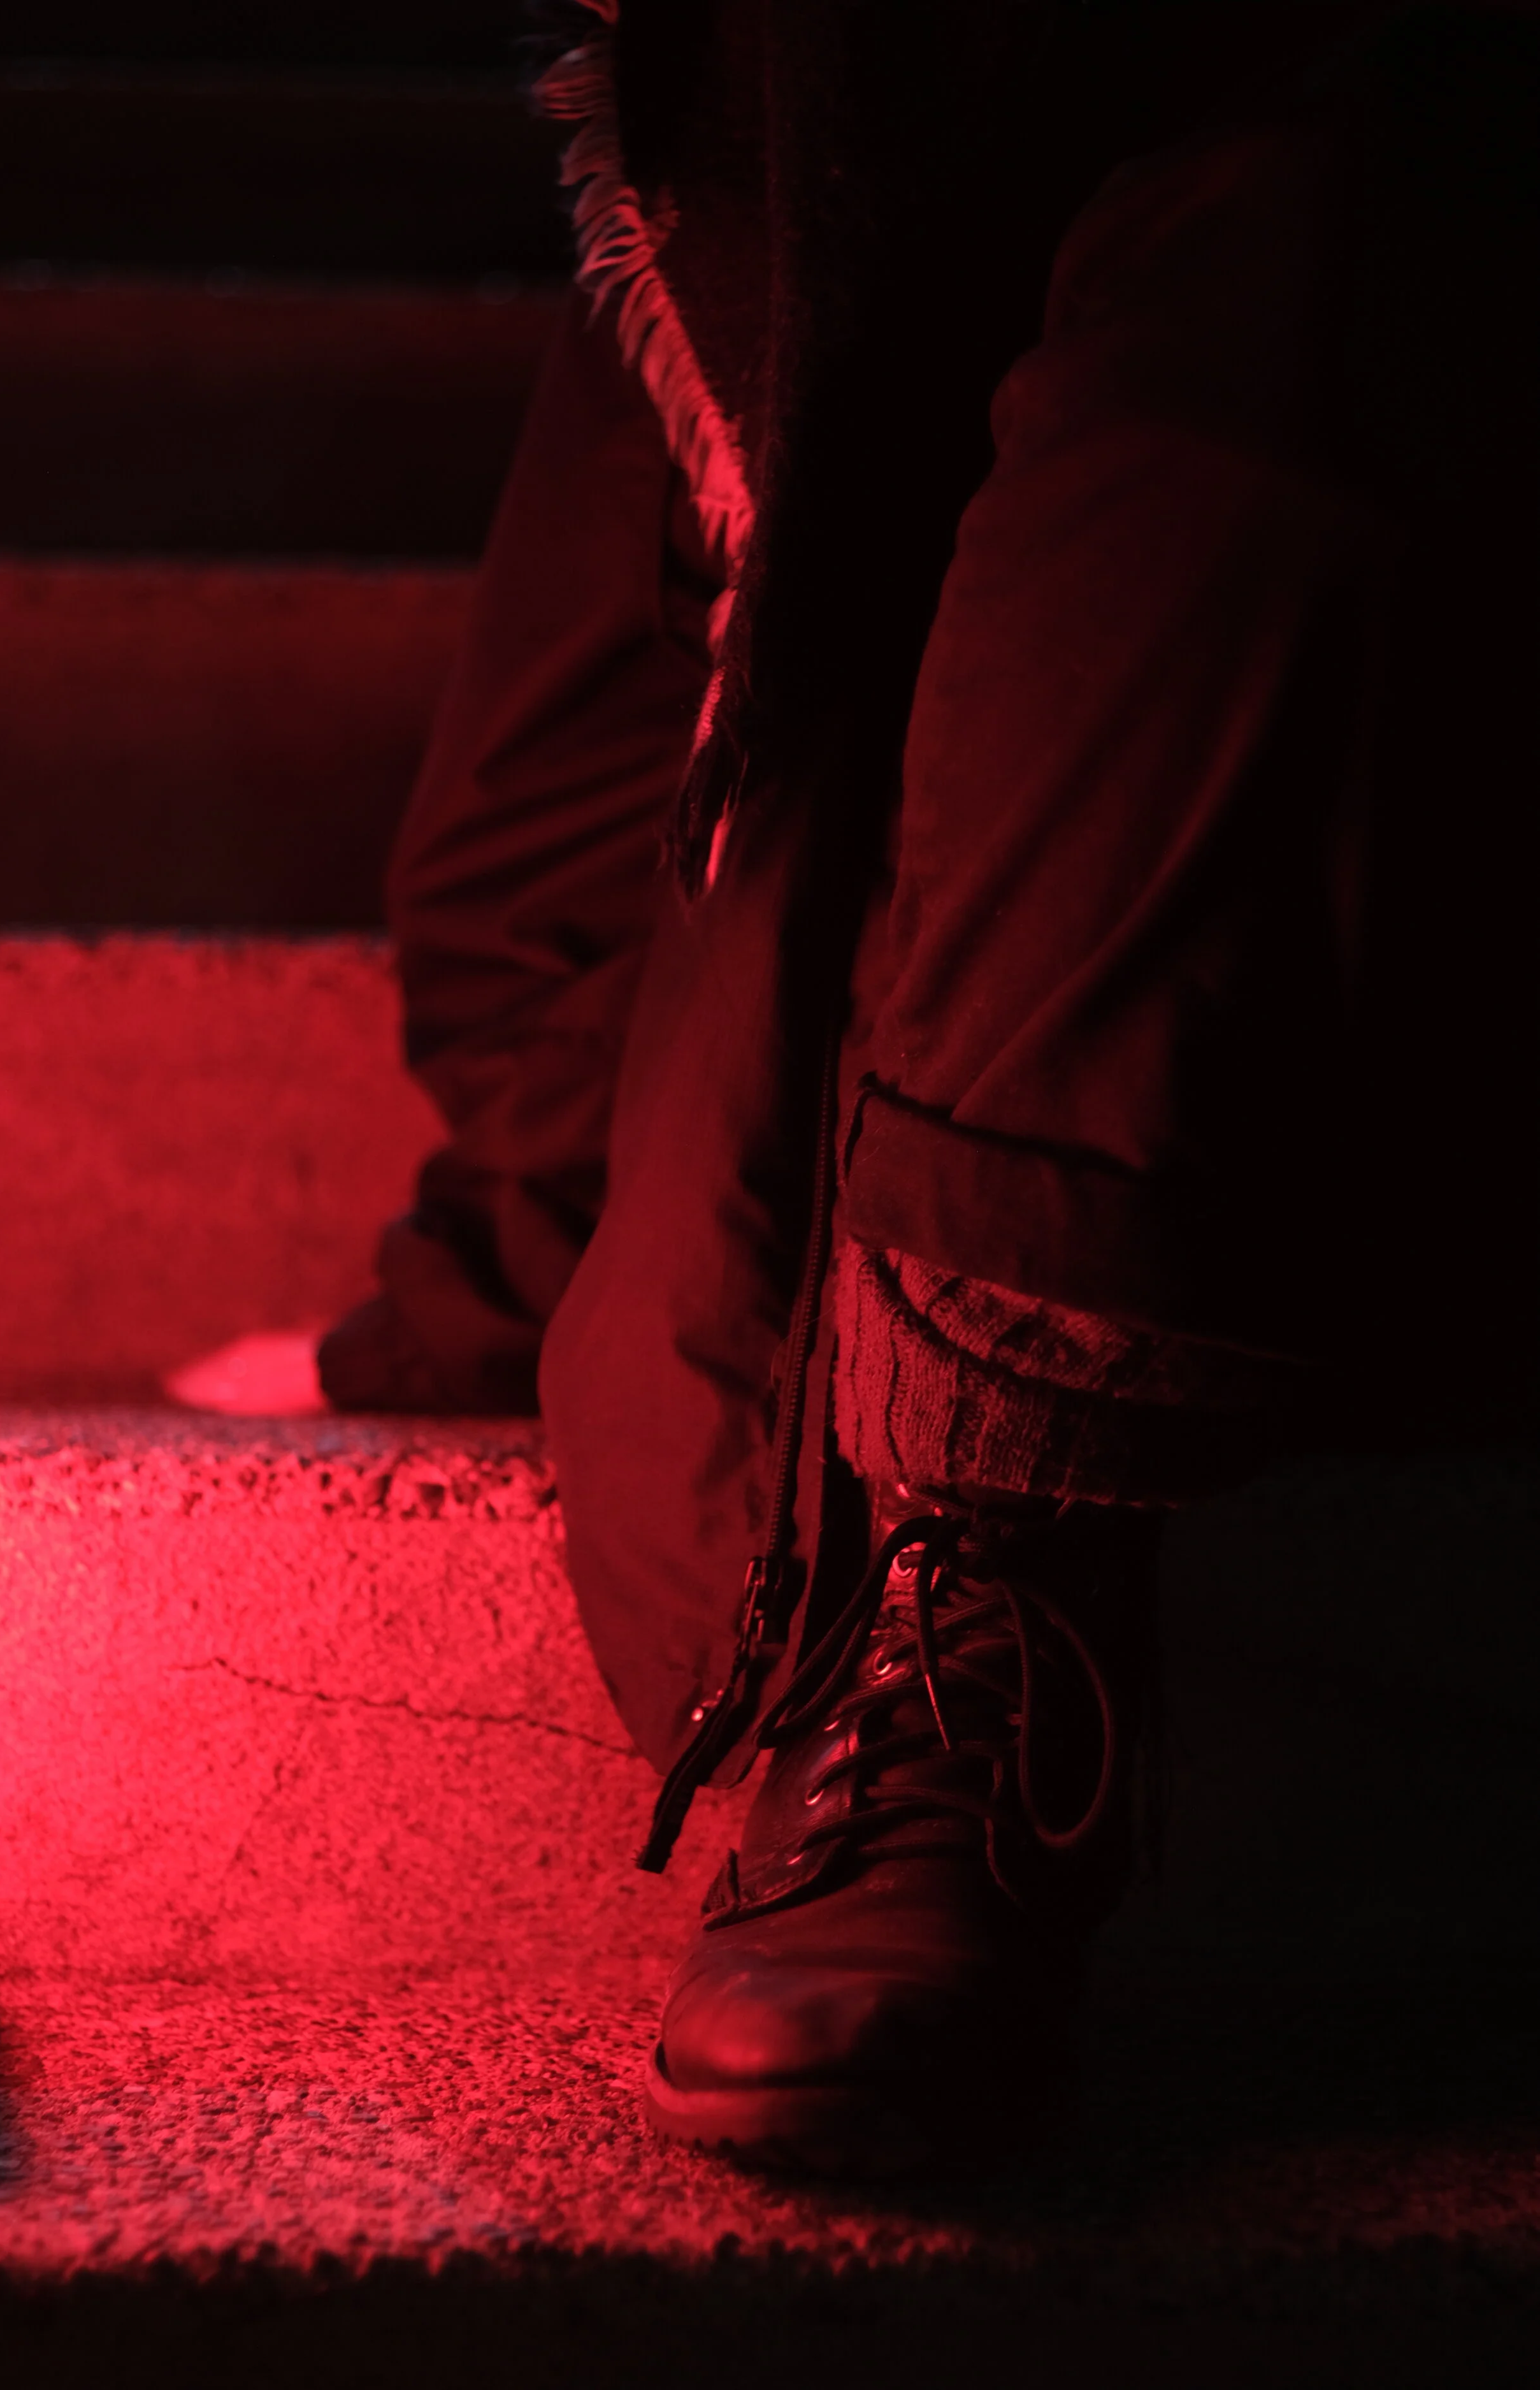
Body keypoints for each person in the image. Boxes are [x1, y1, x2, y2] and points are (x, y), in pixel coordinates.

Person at [319, 0, 1539, 2173]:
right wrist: (496, 1260)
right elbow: (546, 874)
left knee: (1257, 276)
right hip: (809, 1017)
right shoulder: (731, 186)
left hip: (1256, 993)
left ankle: (975, 1553)